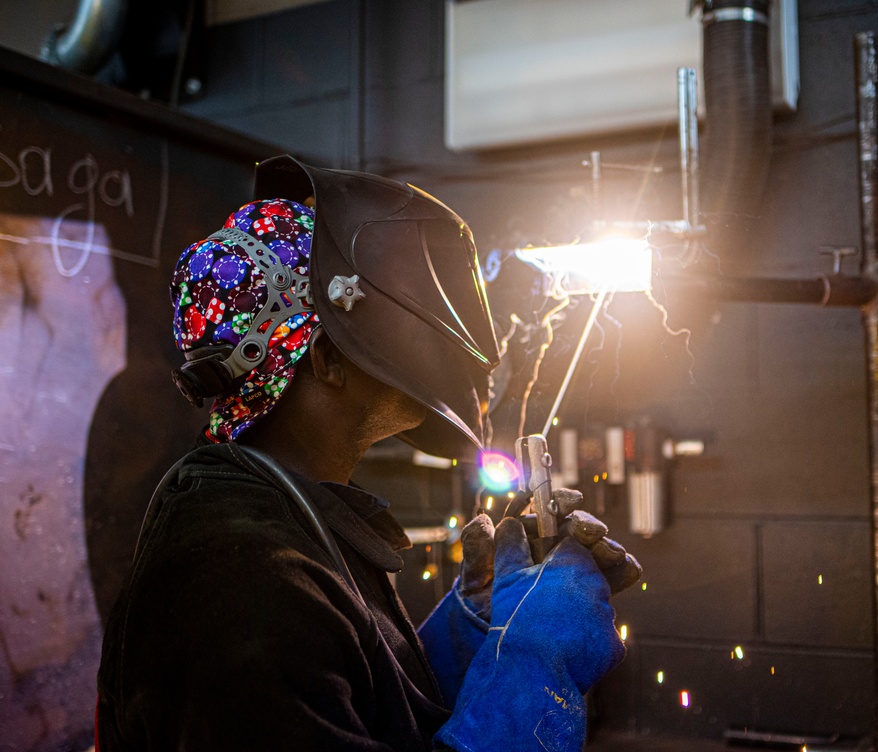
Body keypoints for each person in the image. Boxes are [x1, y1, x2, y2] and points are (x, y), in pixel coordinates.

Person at [95, 156, 640, 752]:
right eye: (385, 304)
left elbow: (361, 706)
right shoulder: (238, 591)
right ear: (326, 358)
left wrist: (477, 626)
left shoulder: (288, 519)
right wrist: (535, 656)